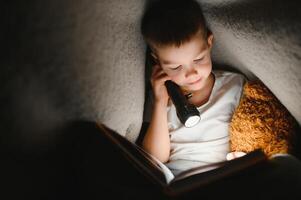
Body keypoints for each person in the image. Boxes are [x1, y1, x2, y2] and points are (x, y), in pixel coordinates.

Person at [140, 0, 246, 176]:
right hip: (176, 179)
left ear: (209, 43)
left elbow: (249, 133)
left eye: (198, 59)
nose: (191, 74)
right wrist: (160, 102)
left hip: (223, 176)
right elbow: (154, 160)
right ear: (157, 63)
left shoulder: (233, 86)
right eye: (175, 67)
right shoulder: (160, 97)